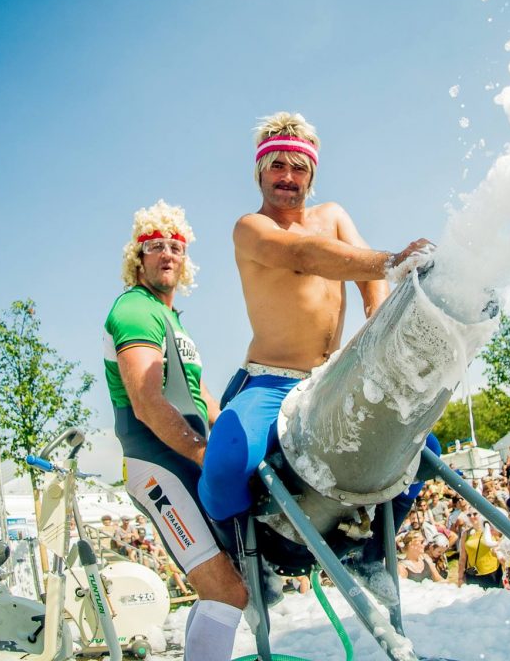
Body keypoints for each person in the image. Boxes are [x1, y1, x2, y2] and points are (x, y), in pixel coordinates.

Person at [197, 113, 433, 574]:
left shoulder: (334, 215)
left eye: (298, 167)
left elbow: (368, 280)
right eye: (277, 166)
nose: (288, 176)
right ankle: (245, 564)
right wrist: (393, 261)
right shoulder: (250, 227)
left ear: (312, 174)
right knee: (225, 464)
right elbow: (304, 255)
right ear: (259, 172)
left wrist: (377, 323)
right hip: (271, 378)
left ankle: (370, 556)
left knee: (424, 451)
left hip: (331, 376)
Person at [103, 200, 246, 661]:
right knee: (226, 591)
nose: (167, 253)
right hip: (156, 464)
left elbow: (203, 397)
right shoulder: (134, 309)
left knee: (225, 585)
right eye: (155, 245)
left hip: (183, 460)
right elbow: (147, 404)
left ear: (185, 260)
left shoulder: (173, 320)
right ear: (138, 257)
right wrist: (205, 453)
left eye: (176, 246)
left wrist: (238, 439)